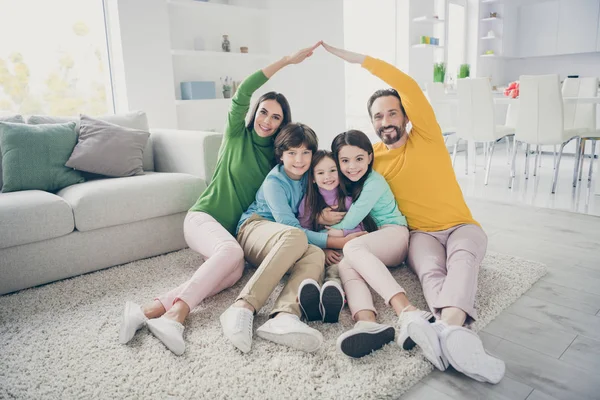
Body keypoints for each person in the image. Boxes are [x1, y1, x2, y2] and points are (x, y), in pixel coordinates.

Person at [118, 43, 320, 356]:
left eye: (276, 117)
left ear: (283, 124)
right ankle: (177, 315)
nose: (266, 120)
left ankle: (146, 311)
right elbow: (244, 92)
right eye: (263, 112)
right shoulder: (236, 134)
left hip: (233, 236)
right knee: (230, 253)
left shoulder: (278, 159)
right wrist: (286, 61)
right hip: (203, 218)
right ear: (255, 112)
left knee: (233, 270)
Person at [320, 42, 505, 384]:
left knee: (463, 260)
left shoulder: (427, 136)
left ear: (405, 115)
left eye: (392, 113)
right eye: (378, 116)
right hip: (419, 235)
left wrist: (358, 58)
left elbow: (405, 84)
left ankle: (451, 327)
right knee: (430, 272)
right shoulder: (371, 157)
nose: (386, 121)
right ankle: (446, 331)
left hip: (461, 225)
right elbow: (335, 170)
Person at [220, 123, 365, 354]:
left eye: (306, 152)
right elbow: (290, 227)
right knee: (297, 236)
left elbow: (313, 208)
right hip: (255, 229)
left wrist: (322, 219)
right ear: (281, 155)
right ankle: (242, 306)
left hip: (289, 241)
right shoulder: (274, 182)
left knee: (316, 254)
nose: (299, 159)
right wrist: (339, 242)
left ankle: (285, 316)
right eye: (292, 153)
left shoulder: (310, 174)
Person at [312, 130, 433, 359]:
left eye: (359, 159)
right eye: (345, 161)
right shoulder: (346, 183)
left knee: (351, 247)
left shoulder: (374, 182)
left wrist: (322, 224)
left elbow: (350, 221)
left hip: (395, 236)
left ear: (369, 157)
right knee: (346, 265)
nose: (352, 167)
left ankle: (407, 310)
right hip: (377, 240)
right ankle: (367, 322)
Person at [296, 149, 373, 323]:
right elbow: (302, 232)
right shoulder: (308, 202)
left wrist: (338, 239)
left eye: (332, 170)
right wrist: (324, 248)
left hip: (343, 250)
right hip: (318, 250)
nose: (328, 176)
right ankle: (311, 299)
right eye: (321, 172)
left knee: (335, 269)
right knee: (313, 267)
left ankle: (334, 294)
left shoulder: (347, 200)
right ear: (313, 178)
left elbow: (359, 228)